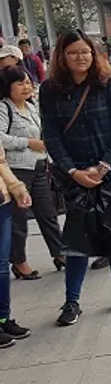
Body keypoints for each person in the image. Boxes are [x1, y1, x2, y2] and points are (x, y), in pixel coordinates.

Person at [40, 30, 111, 325]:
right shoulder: (49, 90)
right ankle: (71, 301)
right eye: (73, 53)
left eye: (85, 52)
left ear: (94, 54)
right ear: (62, 57)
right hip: (74, 172)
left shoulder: (109, 85)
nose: (80, 58)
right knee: (77, 237)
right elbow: (52, 136)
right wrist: (73, 171)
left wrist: (104, 166)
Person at [0, 66, 62, 279]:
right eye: (20, 83)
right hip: (17, 171)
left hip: (39, 167)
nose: (26, 87)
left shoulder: (31, 106)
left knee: (48, 214)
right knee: (19, 220)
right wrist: (28, 143)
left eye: (28, 82)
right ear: (8, 87)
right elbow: (1, 138)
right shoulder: (4, 109)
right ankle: (19, 262)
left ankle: (60, 253)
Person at [0, 137, 32, 348]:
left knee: (2, 267)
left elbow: (1, 162)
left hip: (2, 202)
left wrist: (17, 187)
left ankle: (3, 319)